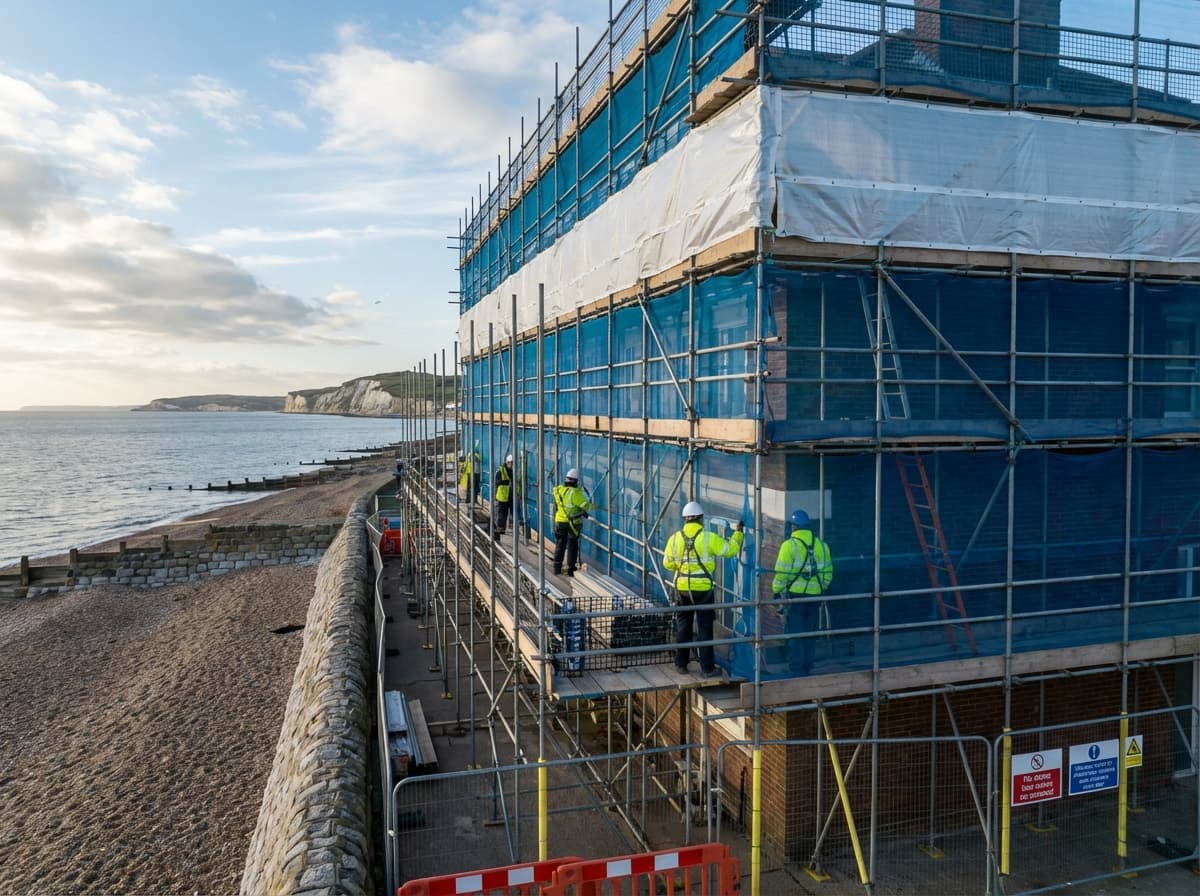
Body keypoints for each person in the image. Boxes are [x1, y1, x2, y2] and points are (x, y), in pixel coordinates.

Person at [663, 501, 744, 675]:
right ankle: (707, 668)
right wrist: (738, 534)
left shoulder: (675, 538)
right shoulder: (708, 537)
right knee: (705, 628)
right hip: (703, 591)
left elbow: (667, 564)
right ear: (701, 519)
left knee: (683, 627)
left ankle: (681, 664)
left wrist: (682, 565)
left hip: (682, 589)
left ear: (685, 519)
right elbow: (730, 550)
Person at [771, 509, 834, 675]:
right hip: (815, 597)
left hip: (796, 597)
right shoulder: (822, 545)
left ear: (794, 527)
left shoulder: (788, 546)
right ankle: (808, 666)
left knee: (796, 634)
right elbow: (828, 572)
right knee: (810, 633)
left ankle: (797, 669)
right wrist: (822, 588)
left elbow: (782, 573)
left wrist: (776, 592)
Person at [552, 468, 593, 576]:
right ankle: (570, 569)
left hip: (560, 521)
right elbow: (586, 505)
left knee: (560, 544)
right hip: (573, 523)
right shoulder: (575, 493)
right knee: (572, 545)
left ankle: (557, 568)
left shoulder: (559, 490)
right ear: (575, 481)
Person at [492, 454, 514, 539]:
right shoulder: (501, 471)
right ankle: (498, 532)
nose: (511, 465)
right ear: (507, 462)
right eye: (510, 463)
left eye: (512, 463)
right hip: (502, 497)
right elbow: (497, 482)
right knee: (502, 515)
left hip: (510, 496)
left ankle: (507, 529)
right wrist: (507, 482)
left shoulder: (512, 471)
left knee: (511, 514)